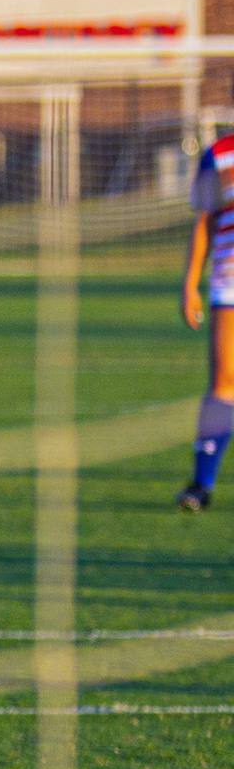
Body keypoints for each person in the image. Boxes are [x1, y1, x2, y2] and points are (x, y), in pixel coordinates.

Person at [176, 129, 234, 510]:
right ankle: (202, 484)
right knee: (224, 381)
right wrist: (190, 283)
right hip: (230, 280)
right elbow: (205, 221)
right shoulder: (219, 154)